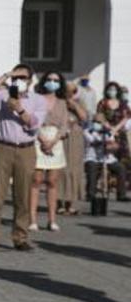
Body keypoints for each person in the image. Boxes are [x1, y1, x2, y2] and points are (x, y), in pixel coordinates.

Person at [0, 64, 47, 252]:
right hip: (3, 146)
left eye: (23, 77)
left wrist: (19, 109)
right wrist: (8, 75)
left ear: (30, 80)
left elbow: (34, 124)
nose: (20, 81)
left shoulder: (38, 100)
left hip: (26, 149)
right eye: (17, 77)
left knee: (22, 195)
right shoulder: (3, 95)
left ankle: (20, 236)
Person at [28, 71, 70, 232]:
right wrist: (41, 139)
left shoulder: (62, 102)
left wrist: (53, 141)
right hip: (39, 139)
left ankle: (52, 219)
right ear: (44, 81)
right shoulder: (36, 99)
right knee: (36, 180)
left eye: (56, 80)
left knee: (52, 182)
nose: (52, 82)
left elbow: (64, 125)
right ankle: (32, 219)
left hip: (55, 142)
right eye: (50, 79)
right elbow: (31, 120)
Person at [84, 114, 129, 204]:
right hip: (93, 158)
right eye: (97, 122)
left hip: (108, 158)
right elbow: (94, 141)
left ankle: (121, 194)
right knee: (92, 169)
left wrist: (113, 145)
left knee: (121, 168)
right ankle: (91, 194)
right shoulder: (88, 131)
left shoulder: (108, 131)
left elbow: (112, 144)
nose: (99, 124)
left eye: (101, 122)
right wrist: (103, 138)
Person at [59, 81, 87, 216]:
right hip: (61, 137)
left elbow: (84, 117)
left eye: (72, 91)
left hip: (75, 138)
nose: (69, 93)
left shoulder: (79, 102)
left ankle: (70, 204)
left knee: (74, 170)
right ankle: (59, 202)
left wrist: (74, 104)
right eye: (67, 91)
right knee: (61, 170)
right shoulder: (58, 102)